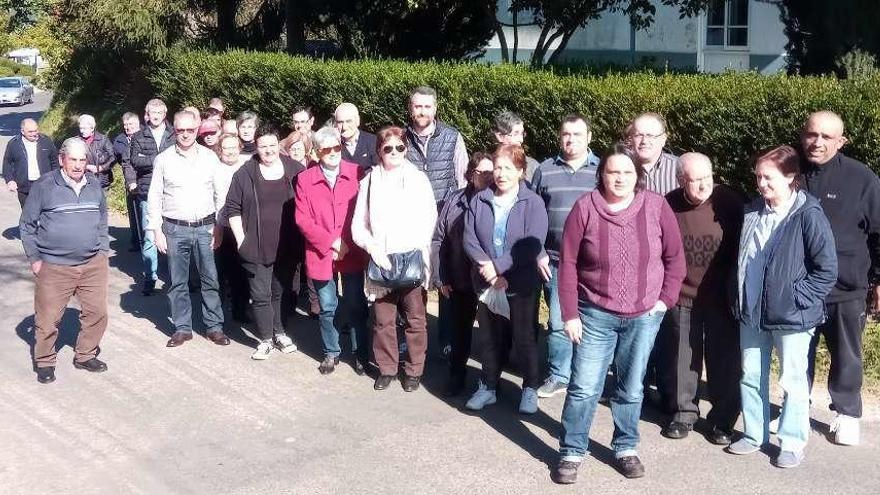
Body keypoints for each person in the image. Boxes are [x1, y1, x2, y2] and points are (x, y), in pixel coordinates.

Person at [552, 147, 685, 484]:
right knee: (583, 387)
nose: (620, 178)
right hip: (594, 313)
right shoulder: (585, 208)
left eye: (627, 172)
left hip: (643, 315)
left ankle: (625, 447)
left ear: (637, 176)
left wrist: (664, 300)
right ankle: (571, 450)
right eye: (613, 172)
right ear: (602, 175)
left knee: (631, 387)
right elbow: (567, 264)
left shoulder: (656, 206)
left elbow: (675, 258)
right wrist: (570, 314)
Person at [727, 145, 837, 469]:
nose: (762, 184)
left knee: (792, 380)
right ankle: (753, 434)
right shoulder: (752, 211)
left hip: (792, 316)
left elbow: (827, 269)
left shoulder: (809, 215)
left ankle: (791, 441)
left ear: (791, 177)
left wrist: (797, 298)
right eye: (759, 177)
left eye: (769, 177)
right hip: (752, 313)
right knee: (750, 375)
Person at [800, 111, 880, 446]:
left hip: (846, 287)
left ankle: (847, 414)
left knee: (847, 354)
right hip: (799, 286)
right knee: (797, 353)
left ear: (841, 141)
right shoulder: (789, 170)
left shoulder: (862, 178)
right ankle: (796, 409)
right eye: (811, 134)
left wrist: (878, 280)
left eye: (826, 137)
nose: (817, 142)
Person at [656, 152, 744, 444]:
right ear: (682, 181)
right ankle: (683, 413)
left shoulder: (730, 202)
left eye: (708, 178)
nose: (704, 185)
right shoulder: (668, 204)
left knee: (724, 360)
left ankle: (722, 420)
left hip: (720, 296)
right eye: (695, 180)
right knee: (682, 358)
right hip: (682, 293)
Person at [463, 144, 549, 414]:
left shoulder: (532, 202)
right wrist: (488, 269)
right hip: (486, 281)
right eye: (497, 167)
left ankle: (530, 388)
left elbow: (531, 244)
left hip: (520, 285)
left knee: (524, 338)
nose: (501, 174)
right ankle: (488, 387)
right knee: (489, 338)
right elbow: (469, 238)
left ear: (521, 171)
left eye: (508, 168)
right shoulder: (480, 199)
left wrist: (500, 268)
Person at [352, 126, 437, 392]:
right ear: (379, 151)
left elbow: (429, 217)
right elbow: (359, 224)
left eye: (399, 147)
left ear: (405, 149)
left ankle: (414, 369)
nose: (394, 152)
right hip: (380, 259)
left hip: (411, 257)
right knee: (382, 319)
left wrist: (417, 248)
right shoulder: (369, 181)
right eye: (388, 148)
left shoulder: (418, 178)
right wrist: (372, 247)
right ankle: (387, 368)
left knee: (415, 318)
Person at [20, 138, 110, 384]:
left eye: (83, 160)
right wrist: (35, 259)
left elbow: (102, 218)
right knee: (48, 318)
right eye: (74, 159)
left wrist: (103, 249)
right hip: (54, 266)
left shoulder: (94, 184)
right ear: (62, 159)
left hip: (93, 264)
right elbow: (27, 225)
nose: (79, 165)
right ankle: (46, 361)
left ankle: (85, 355)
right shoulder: (45, 185)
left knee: (97, 313)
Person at [530, 113, 601, 399]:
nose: (570, 139)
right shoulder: (545, 170)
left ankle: (588, 375)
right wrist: (537, 253)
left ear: (589, 138)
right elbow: (531, 215)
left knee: (596, 322)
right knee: (559, 321)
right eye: (566, 134)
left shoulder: (602, 170)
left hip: (596, 263)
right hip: (556, 261)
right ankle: (559, 374)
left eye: (577, 134)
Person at [147, 110, 230, 348]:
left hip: (206, 227)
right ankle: (182, 328)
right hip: (174, 228)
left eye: (190, 130)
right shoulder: (163, 159)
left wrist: (220, 226)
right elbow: (154, 197)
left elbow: (220, 194)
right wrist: (156, 230)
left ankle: (214, 326)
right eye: (180, 130)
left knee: (210, 279)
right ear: (174, 130)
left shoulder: (209, 158)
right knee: (177, 281)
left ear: (197, 130)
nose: (185, 134)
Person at [225, 126, 303, 359]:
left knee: (279, 292)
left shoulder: (295, 170)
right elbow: (232, 208)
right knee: (260, 295)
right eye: (263, 146)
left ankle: (280, 332)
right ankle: (266, 339)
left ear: (278, 144)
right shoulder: (244, 173)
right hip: (256, 245)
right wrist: (241, 240)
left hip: (287, 245)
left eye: (272, 145)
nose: (268, 150)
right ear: (256, 148)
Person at [296, 126, 370, 374]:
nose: (333, 153)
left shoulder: (357, 173)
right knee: (327, 307)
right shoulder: (305, 179)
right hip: (321, 252)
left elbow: (364, 212)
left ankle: (361, 354)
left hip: (352, 251)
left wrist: (347, 242)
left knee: (356, 303)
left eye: (337, 147)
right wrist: (332, 242)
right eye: (326, 149)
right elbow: (303, 219)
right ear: (317, 152)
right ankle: (331, 352)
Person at [432, 152, 495, 396]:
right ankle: (456, 375)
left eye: (492, 172)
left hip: (491, 281)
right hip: (460, 280)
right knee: (460, 333)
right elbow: (439, 240)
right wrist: (441, 277)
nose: (488, 177)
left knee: (491, 335)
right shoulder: (454, 201)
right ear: (470, 175)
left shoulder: (500, 201)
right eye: (482, 172)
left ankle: (491, 381)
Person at [122, 98, 175, 296]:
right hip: (147, 191)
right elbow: (135, 160)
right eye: (152, 112)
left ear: (165, 113)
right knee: (150, 237)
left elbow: (178, 157)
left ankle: (176, 277)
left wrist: (149, 160)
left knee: (173, 236)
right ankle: (150, 276)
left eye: (159, 112)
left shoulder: (173, 134)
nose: (156, 115)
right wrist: (161, 160)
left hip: (171, 192)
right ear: (147, 113)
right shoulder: (138, 136)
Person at [404, 86, 468, 206]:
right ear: (410, 108)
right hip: (413, 211)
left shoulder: (452, 137)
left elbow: (463, 179)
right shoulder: (401, 139)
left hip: (445, 211)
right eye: (418, 107)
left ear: (435, 108)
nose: (422, 112)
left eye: (427, 107)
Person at [213, 133, 249, 323]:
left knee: (241, 272)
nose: (230, 151)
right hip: (222, 227)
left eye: (234, 147)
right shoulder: (214, 170)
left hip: (245, 228)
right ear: (220, 150)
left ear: (240, 148)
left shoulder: (247, 166)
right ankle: (216, 316)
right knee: (220, 272)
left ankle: (240, 310)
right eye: (226, 148)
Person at [2, 118, 59, 207]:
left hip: (45, 184)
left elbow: (55, 161)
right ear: (22, 131)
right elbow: (7, 163)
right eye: (30, 132)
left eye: (36, 130)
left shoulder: (46, 141)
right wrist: (10, 180)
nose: (34, 134)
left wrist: (56, 178)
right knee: (28, 214)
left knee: (46, 212)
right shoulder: (14, 144)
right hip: (24, 187)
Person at [625, 112, 678, 196]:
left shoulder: (679, 168)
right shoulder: (621, 168)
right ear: (631, 138)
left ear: (663, 139)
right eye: (638, 135)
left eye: (650, 136)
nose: (644, 141)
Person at [113, 112, 144, 251]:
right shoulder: (120, 140)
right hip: (129, 179)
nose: (127, 127)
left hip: (145, 179)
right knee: (134, 213)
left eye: (130, 124)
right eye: (125, 124)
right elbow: (119, 157)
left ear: (138, 124)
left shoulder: (146, 135)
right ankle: (136, 241)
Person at [491, 110, 540, 181]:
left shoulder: (532, 166)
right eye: (516, 134)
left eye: (522, 134)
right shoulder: (487, 166)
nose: (521, 140)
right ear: (500, 136)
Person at [77, 114, 116, 192]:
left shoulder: (103, 140)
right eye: (80, 128)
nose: (82, 131)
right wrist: (85, 167)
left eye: (84, 128)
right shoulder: (76, 141)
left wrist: (101, 168)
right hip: (82, 181)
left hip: (102, 181)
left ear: (92, 128)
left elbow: (113, 157)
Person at [334, 102, 378, 169]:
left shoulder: (373, 142)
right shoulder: (332, 145)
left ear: (357, 120)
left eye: (348, 121)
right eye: (340, 122)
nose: (344, 127)